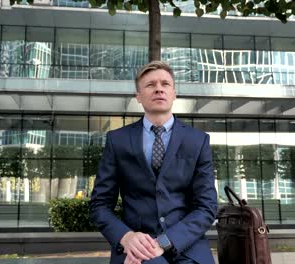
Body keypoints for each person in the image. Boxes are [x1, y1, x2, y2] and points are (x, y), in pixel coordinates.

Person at [89, 61, 218, 264]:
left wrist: (165, 242)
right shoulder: (117, 140)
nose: (159, 88)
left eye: (165, 84)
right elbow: (100, 205)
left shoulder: (198, 140)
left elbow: (206, 206)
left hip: (188, 247)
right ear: (138, 96)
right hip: (136, 248)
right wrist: (126, 237)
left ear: (174, 93)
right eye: (150, 85)